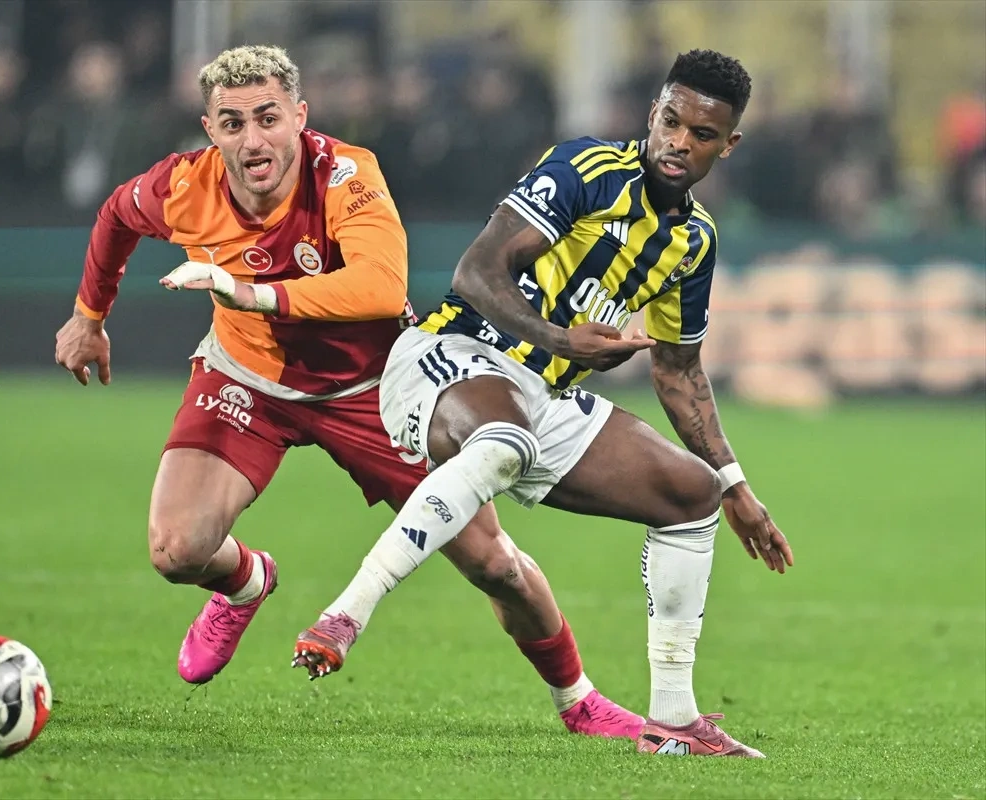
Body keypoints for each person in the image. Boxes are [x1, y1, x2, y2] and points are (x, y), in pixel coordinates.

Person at [54, 45, 642, 739]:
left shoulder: (346, 173)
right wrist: (89, 316)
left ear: (299, 117)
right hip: (248, 375)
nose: (253, 141)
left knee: (493, 563)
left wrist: (248, 292)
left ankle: (579, 700)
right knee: (177, 550)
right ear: (210, 130)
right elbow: (116, 217)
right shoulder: (183, 186)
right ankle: (246, 582)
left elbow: (380, 288)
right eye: (233, 124)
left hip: (376, 387)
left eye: (268, 118)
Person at [293, 49, 793, 758]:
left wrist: (737, 488)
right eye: (671, 121)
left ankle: (674, 720)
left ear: (728, 144)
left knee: (692, 495)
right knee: (505, 439)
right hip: (451, 354)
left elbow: (679, 371)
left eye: (702, 134)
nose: (680, 142)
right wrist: (561, 339)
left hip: (542, 396)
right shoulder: (587, 169)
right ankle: (347, 614)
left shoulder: (692, 241)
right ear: (652, 112)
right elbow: (476, 271)